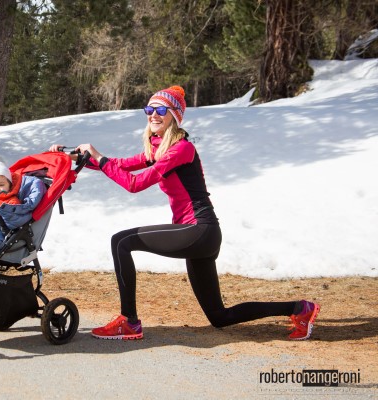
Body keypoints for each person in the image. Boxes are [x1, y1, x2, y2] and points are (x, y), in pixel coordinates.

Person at [49, 85, 320, 341]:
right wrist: (81, 158)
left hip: (199, 229)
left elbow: (134, 184)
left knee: (120, 241)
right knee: (219, 316)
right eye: (150, 110)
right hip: (200, 236)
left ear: (174, 117)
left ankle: (129, 321)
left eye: (161, 110)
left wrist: (99, 157)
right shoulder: (158, 149)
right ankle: (300, 308)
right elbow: (120, 165)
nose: (154, 115)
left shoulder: (181, 149)